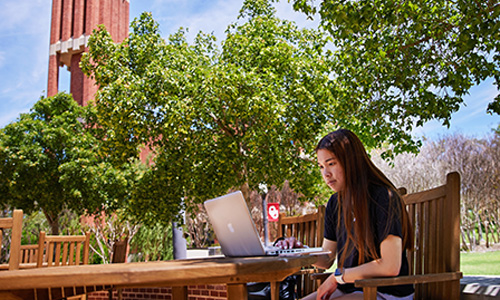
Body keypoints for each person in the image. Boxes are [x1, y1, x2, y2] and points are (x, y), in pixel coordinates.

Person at [275, 129, 414, 300]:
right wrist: (299, 251)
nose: (325, 174)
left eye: (331, 163)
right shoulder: (335, 203)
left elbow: (390, 266)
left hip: (386, 293)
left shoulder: (383, 197)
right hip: (351, 290)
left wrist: (338, 277)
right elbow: (327, 259)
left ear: (352, 162)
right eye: (321, 166)